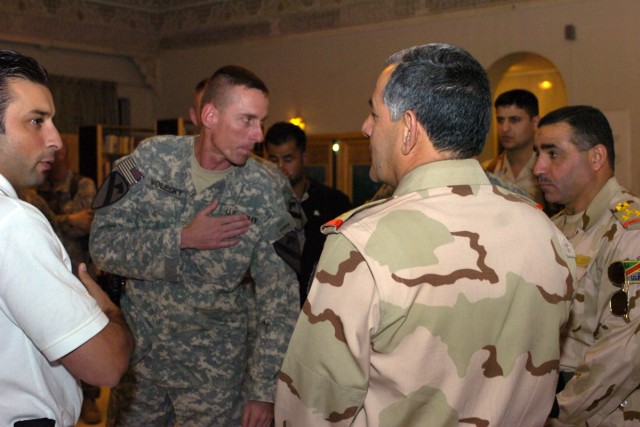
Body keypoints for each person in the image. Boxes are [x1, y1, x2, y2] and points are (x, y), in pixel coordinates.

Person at [275, 43, 577, 426]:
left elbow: (311, 409)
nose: (366, 128)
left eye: (374, 113)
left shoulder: (363, 246)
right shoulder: (548, 235)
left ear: (408, 130)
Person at [90, 65, 300, 427]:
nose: (258, 134)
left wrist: (263, 390)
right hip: (141, 367)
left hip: (216, 377)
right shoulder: (150, 162)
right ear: (209, 115)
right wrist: (183, 239)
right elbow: (103, 245)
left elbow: (279, 300)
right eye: (247, 120)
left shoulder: (267, 188)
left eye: (261, 121)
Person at [0, 49, 133, 426]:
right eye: (36, 121)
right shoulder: (13, 223)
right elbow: (106, 366)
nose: (56, 140)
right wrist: (108, 311)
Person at [533, 106, 640, 426]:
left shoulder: (629, 231)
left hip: (604, 412)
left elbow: (626, 344)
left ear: (596, 157)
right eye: (537, 153)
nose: (538, 167)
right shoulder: (551, 227)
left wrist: (558, 410)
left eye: (553, 154)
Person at [36, 139, 102, 424]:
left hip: (80, 273)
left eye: (59, 151)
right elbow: (42, 224)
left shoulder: (83, 185)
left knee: (86, 336)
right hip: (48, 275)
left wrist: (59, 221)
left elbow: (86, 224)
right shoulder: (35, 187)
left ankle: (89, 397)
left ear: (68, 154)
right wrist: (66, 220)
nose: (54, 155)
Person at [264, 121, 353, 306]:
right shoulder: (261, 204)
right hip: (274, 304)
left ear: (304, 157)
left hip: (320, 303)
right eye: (273, 160)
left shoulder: (333, 203)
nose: (280, 167)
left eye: (288, 159)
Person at [483, 89, 546, 207]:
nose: (505, 128)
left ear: (535, 122)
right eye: (500, 120)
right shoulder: (487, 171)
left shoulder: (547, 170)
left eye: (514, 120)